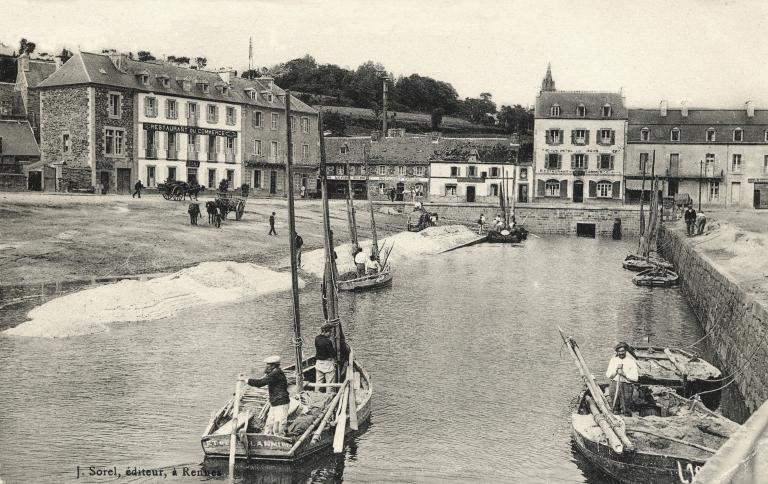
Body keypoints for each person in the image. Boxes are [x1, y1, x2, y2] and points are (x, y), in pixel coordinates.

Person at [241, 355, 289, 436]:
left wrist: (246, 380)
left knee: (279, 426)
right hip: (275, 402)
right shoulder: (273, 372)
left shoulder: (276, 373)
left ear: (273, 365)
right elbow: (263, 379)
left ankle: (280, 440)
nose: (266, 367)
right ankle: (267, 437)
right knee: (269, 424)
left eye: (268, 365)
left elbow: (261, 383)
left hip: (281, 403)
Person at [605, 342, 639, 417]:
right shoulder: (613, 360)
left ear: (626, 351)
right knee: (614, 404)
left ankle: (627, 418)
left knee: (626, 406)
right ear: (617, 352)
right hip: (614, 384)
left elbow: (635, 378)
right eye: (619, 351)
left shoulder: (631, 362)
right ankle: (615, 418)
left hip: (626, 385)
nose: (621, 353)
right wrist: (616, 371)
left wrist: (624, 374)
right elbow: (608, 375)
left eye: (623, 351)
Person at [314, 323, 337, 392]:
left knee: (318, 382)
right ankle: (329, 396)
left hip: (318, 363)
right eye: (329, 332)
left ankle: (316, 394)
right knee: (329, 383)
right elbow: (333, 354)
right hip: (327, 364)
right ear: (325, 332)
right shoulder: (328, 342)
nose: (330, 334)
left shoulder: (316, 338)